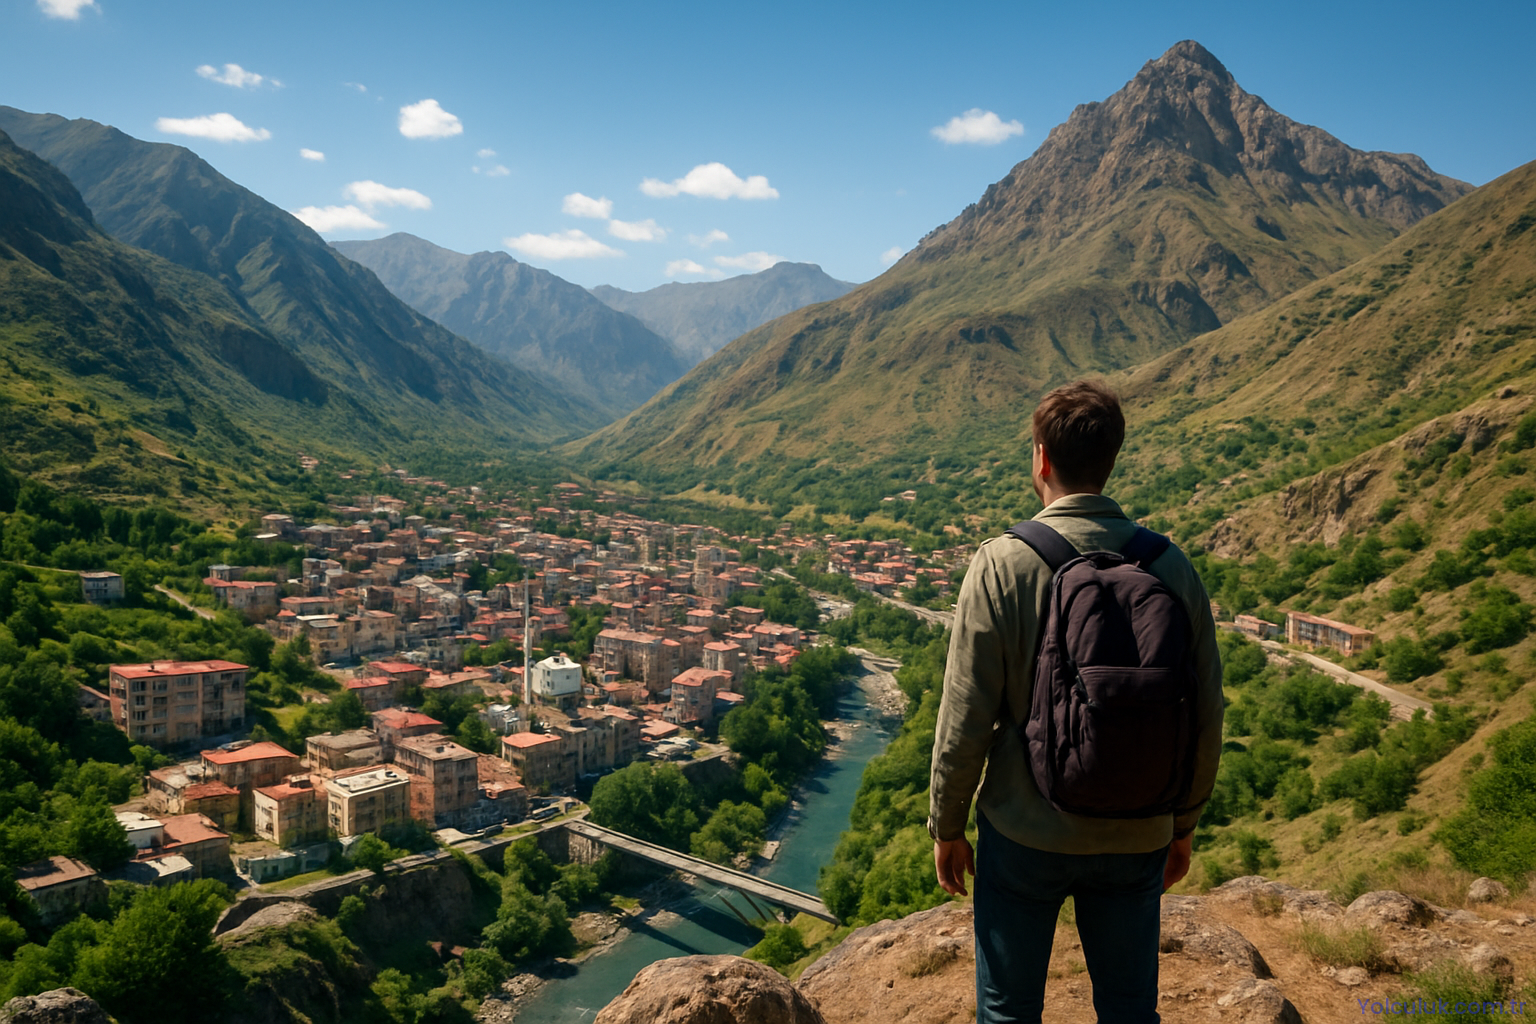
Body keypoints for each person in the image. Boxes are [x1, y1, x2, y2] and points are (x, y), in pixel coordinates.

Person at [928, 380, 1224, 1024]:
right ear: (1112, 459)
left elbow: (965, 715)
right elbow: (1206, 716)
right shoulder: (1171, 568)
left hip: (1023, 830)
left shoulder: (1001, 564)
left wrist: (947, 824)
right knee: (1127, 1009)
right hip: (1140, 826)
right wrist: (1184, 823)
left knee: (1009, 1011)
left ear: (1040, 458)